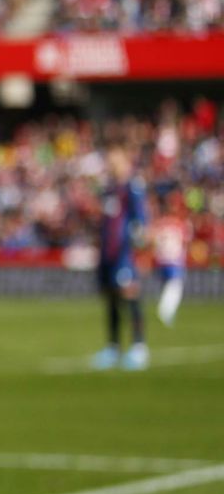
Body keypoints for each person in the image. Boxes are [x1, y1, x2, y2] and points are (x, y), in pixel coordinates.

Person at [92, 144, 149, 371]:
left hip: (124, 252)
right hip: (108, 252)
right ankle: (113, 347)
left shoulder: (132, 188)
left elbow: (140, 221)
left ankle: (139, 347)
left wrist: (140, 250)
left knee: (130, 294)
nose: (110, 165)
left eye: (114, 161)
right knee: (111, 298)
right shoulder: (108, 190)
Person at [151, 188, 189, 328]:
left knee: (168, 285)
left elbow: (152, 239)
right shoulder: (178, 223)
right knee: (175, 286)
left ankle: (165, 311)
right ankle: (165, 311)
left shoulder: (159, 223)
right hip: (174, 259)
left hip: (161, 259)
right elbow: (185, 241)